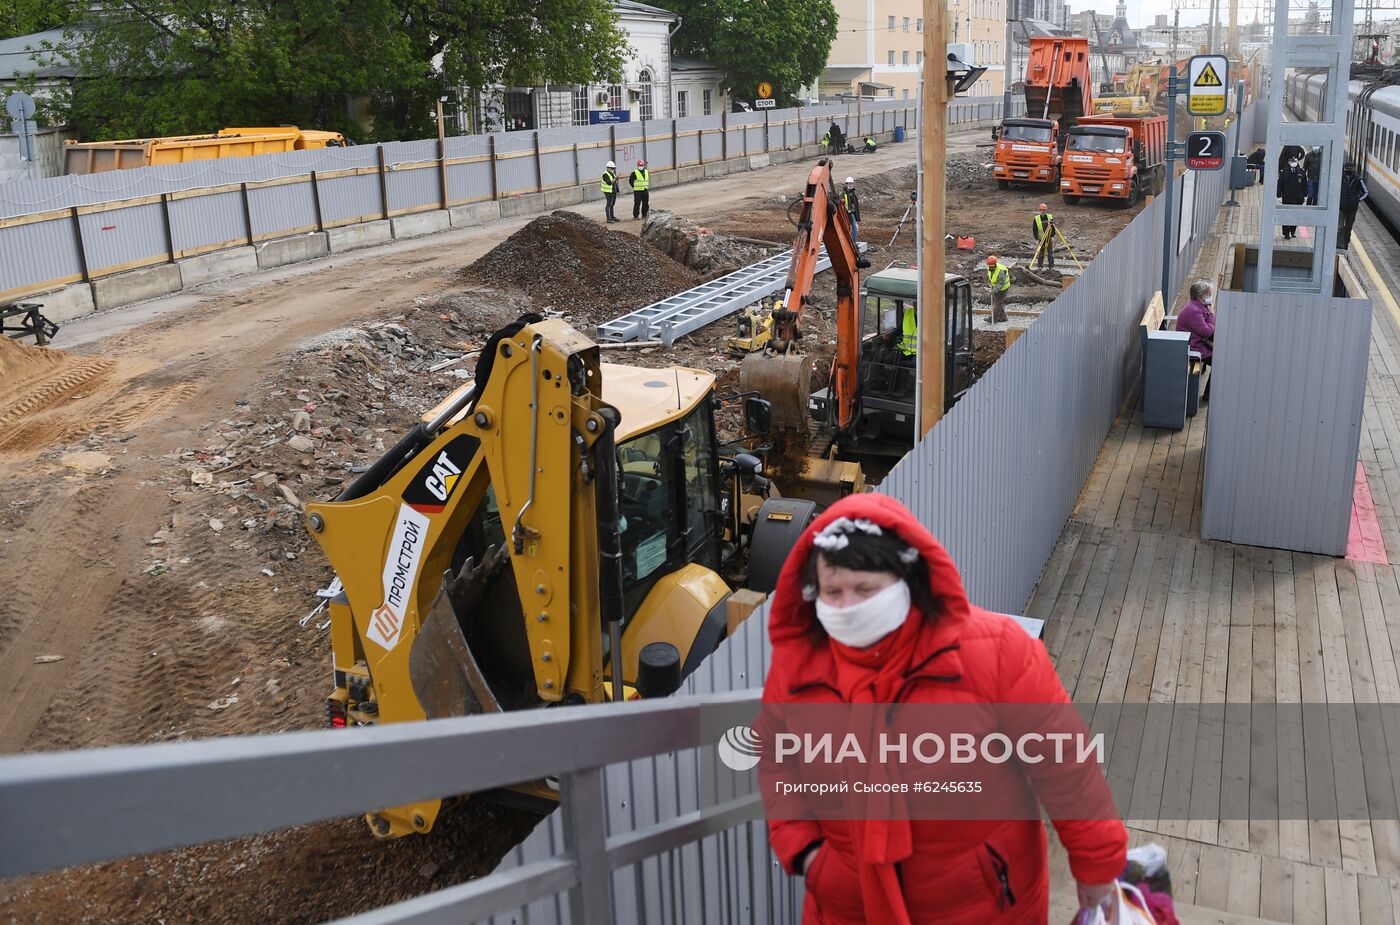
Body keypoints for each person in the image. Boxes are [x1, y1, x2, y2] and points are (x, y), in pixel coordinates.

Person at [759, 495, 1129, 924]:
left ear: (905, 579)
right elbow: (776, 759)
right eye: (833, 591)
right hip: (848, 903)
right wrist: (807, 853)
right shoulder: (799, 670)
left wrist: (1097, 864)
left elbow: (1065, 764)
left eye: (865, 590)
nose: (848, 608)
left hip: (984, 904)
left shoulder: (998, 653)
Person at [1175, 281, 1215, 401]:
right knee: (1219, 363)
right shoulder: (1194, 311)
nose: (1210, 297)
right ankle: (1204, 395)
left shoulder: (1199, 306)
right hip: (1193, 351)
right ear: (1199, 296)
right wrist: (1212, 315)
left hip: (1197, 344)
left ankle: (1201, 388)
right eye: (1208, 294)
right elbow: (1207, 331)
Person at [1338, 161, 1369, 250]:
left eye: (1350, 169)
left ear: (1353, 169)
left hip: (1352, 209)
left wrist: (1358, 200)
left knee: (1348, 228)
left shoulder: (1358, 180)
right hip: (1341, 207)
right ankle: (1339, 244)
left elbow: (1366, 192)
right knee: (1340, 227)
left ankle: (1345, 244)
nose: (1348, 170)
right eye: (1347, 169)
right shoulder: (1340, 179)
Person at [1277, 155, 1308, 239]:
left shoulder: (1301, 172)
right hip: (1287, 197)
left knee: (1296, 215)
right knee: (1286, 215)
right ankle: (1286, 233)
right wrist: (1279, 196)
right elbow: (1279, 184)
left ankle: (1293, 231)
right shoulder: (1284, 172)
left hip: (1298, 198)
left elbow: (1305, 184)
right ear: (1288, 162)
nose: (1293, 163)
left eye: (1294, 161)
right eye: (1291, 162)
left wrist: (1305, 195)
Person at [987, 254, 1011, 324]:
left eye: (992, 266)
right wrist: (992, 285)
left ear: (995, 264)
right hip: (996, 287)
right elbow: (992, 277)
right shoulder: (989, 268)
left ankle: (993, 319)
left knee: (997, 303)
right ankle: (1003, 317)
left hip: (1003, 288)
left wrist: (995, 290)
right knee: (998, 302)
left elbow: (1001, 282)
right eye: (990, 266)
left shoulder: (1001, 270)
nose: (991, 268)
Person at [1032, 204, 1056, 271]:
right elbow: (1034, 229)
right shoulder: (1036, 218)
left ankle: (1051, 267)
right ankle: (1040, 266)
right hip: (1041, 238)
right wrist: (1036, 238)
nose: (1043, 211)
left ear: (1046, 210)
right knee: (1041, 253)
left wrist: (1052, 236)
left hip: (1048, 237)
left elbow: (1053, 227)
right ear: (1039, 210)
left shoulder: (1049, 217)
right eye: (1042, 210)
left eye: (1044, 210)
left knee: (1050, 253)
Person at [841, 177, 861, 243]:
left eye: (852, 183)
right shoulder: (843, 193)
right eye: (849, 183)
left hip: (852, 212)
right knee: (855, 227)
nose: (850, 185)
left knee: (852, 227)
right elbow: (841, 203)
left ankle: (851, 241)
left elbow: (854, 204)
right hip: (847, 212)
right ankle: (853, 242)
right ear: (846, 184)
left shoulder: (852, 192)